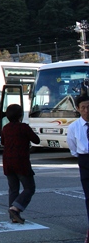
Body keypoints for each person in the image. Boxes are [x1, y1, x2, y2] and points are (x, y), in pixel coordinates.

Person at [2, 103, 40, 224]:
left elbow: (3, 142)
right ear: (21, 115)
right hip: (21, 161)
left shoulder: (5, 128)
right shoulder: (24, 127)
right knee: (29, 188)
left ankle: (14, 216)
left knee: (13, 189)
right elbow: (36, 140)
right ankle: (15, 208)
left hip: (7, 161)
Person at [67, 94, 89, 242]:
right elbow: (72, 147)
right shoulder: (74, 127)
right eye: (83, 108)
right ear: (78, 109)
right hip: (85, 161)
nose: (86, 110)